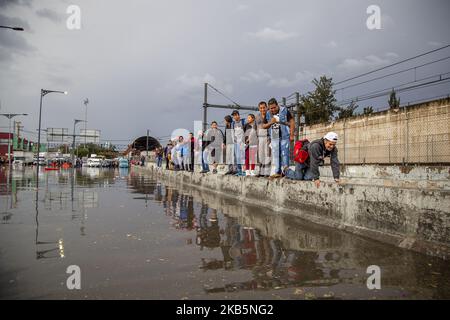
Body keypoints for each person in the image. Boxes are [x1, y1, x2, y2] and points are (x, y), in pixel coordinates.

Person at [263, 98, 295, 180]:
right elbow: (264, 126)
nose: (273, 109)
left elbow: (291, 121)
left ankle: (286, 172)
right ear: (269, 108)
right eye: (271, 108)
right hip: (274, 137)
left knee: (285, 154)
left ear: (277, 105)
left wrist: (291, 134)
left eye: (274, 107)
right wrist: (271, 122)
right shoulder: (267, 114)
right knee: (276, 155)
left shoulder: (284, 110)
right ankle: (278, 172)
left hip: (284, 136)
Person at [255, 101, 270, 177]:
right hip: (259, 137)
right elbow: (255, 127)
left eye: (264, 107)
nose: (262, 109)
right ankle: (260, 171)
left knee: (267, 155)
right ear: (259, 108)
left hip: (267, 137)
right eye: (261, 108)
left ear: (266, 107)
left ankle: (266, 172)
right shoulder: (257, 116)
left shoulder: (269, 115)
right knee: (260, 155)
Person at [231, 110, 246, 176]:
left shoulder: (243, 121)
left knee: (243, 157)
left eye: (235, 115)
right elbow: (232, 132)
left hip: (242, 142)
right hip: (236, 143)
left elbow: (246, 130)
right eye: (233, 115)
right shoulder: (233, 123)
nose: (234, 117)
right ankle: (239, 171)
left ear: (238, 115)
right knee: (237, 157)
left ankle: (244, 171)